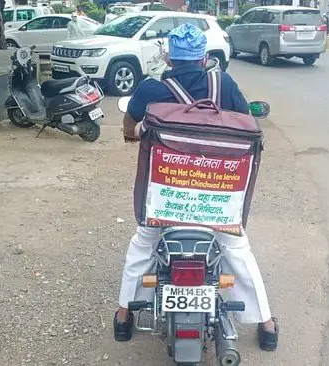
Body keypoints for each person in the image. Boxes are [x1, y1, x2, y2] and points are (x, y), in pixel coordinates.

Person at [116, 23, 279, 352]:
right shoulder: (225, 84)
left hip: (164, 202)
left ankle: (122, 316)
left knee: (142, 246)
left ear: (170, 59)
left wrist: (132, 134)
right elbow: (247, 121)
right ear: (204, 57)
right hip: (217, 204)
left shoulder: (150, 90)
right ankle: (266, 323)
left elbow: (130, 125)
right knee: (237, 251)